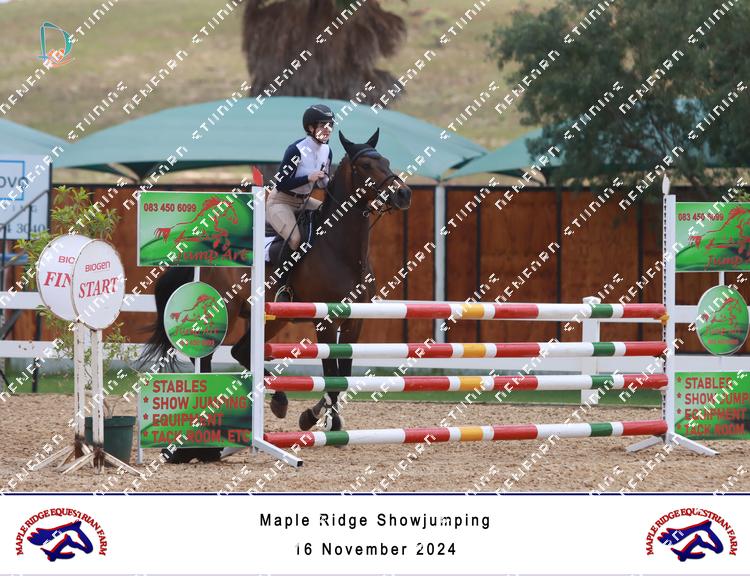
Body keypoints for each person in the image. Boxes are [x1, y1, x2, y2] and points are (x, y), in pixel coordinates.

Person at [267, 104, 334, 302]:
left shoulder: (327, 150)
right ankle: (282, 286)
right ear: (310, 128)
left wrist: (324, 181)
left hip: (304, 201)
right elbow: (281, 183)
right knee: (295, 240)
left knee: (332, 217)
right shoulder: (296, 150)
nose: (328, 129)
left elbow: (322, 182)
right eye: (323, 125)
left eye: (330, 125)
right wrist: (308, 177)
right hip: (281, 201)